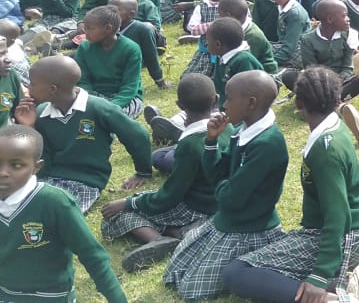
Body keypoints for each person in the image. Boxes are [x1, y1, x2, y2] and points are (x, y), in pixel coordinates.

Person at [223, 67, 359, 303]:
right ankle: (341, 284)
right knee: (263, 263)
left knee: (237, 273)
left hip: (347, 238)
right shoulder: (332, 127)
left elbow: (337, 215)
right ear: (338, 99)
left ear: (298, 103)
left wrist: (319, 275)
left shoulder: (326, 150)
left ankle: (333, 299)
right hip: (349, 234)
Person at [163, 71, 288, 301]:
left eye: (229, 99)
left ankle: (259, 260)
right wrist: (211, 141)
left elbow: (231, 197)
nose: (223, 104)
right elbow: (218, 174)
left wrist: (224, 185)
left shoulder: (267, 144)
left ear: (251, 103)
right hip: (227, 218)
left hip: (249, 228)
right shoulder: (242, 130)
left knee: (191, 290)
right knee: (173, 273)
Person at [100, 74, 226, 273]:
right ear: (216, 100)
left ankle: (161, 239)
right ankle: (182, 233)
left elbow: (169, 196)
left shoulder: (190, 145)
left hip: (195, 208)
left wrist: (128, 202)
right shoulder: (228, 128)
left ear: (179, 105)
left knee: (115, 216)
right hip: (221, 207)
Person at [0, 125, 129, 302]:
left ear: (36, 167)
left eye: (16, 165)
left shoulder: (55, 202)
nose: (3, 173)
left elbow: (92, 256)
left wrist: (117, 299)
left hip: (51, 297)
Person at [14, 55, 151, 213]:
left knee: (58, 213)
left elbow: (137, 135)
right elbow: (41, 155)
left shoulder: (99, 108)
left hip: (85, 182)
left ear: (52, 89)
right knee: (17, 206)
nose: (28, 88)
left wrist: (143, 171)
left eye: (32, 83)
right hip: (47, 179)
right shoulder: (40, 112)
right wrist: (29, 127)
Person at [75, 6, 145, 118]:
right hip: (94, 95)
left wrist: (112, 106)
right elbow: (83, 81)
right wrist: (92, 101)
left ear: (108, 28)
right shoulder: (84, 48)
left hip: (124, 98)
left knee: (118, 116)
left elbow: (130, 86)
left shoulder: (131, 48)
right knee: (74, 108)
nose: (85, 32)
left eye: (89, 28)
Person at [108, 0, 168, 91]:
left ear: (131, 14)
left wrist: (159, 80)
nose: (110, 14)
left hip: (128, 68)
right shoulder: (108, 27)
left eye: (116, 11)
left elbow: (151, 56)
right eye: (108, 10)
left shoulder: (143, 30)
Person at [182, 0, 229, 77]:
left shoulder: (232, 4)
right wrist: (212, 25)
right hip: (207, 51)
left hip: (228, 50)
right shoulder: (203, 7)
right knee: (194, 77)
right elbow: (192, 28)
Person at [270, 0, 310, 70]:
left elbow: (290, 48)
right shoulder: (282, 7)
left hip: (298, 53)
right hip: (285, 46)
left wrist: (270, 62)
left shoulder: (295, 14)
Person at [0, 37, 23, 126]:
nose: (8, 60)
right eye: (0, 55)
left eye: (6, 53)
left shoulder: (10, 75)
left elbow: (20, 113)